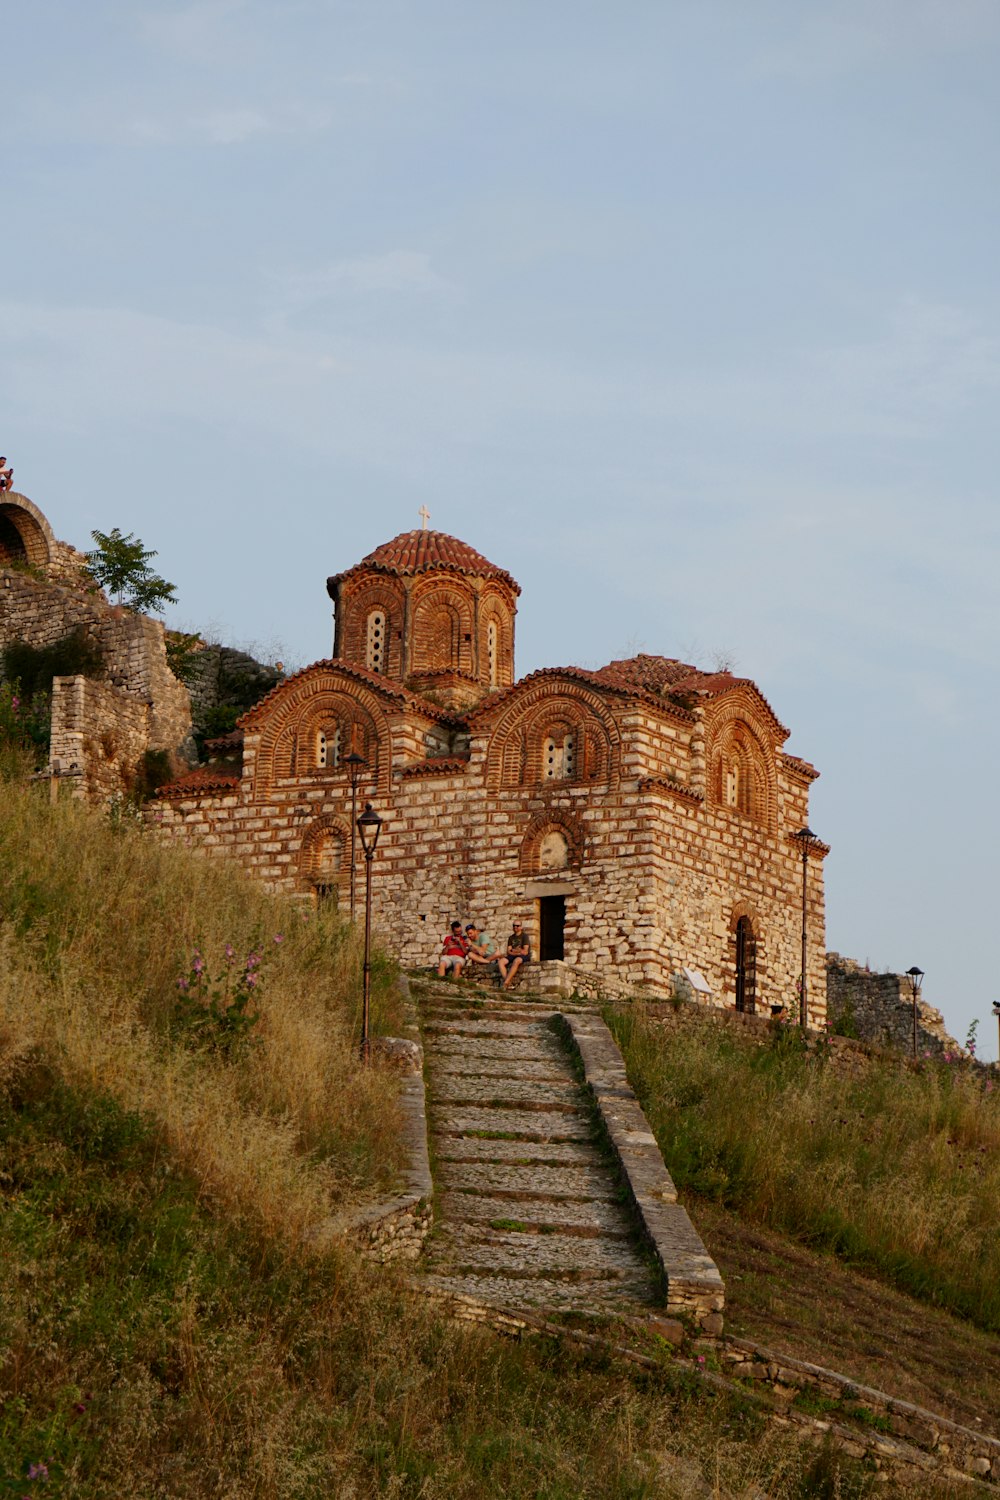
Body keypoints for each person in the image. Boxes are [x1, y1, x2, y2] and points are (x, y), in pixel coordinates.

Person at [501, 920, 530, 990]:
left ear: (521, 927)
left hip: (523, 956)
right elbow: (509, 951)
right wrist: (518, 951)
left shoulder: (524, 936)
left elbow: (525, 951)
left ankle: (505, 983)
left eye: (517, 926)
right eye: (514, 926)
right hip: (513, 955)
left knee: (516, 961)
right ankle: (508, 982)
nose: (515, 927)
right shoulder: (511, 937)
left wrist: (515, 951)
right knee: (501, 961)